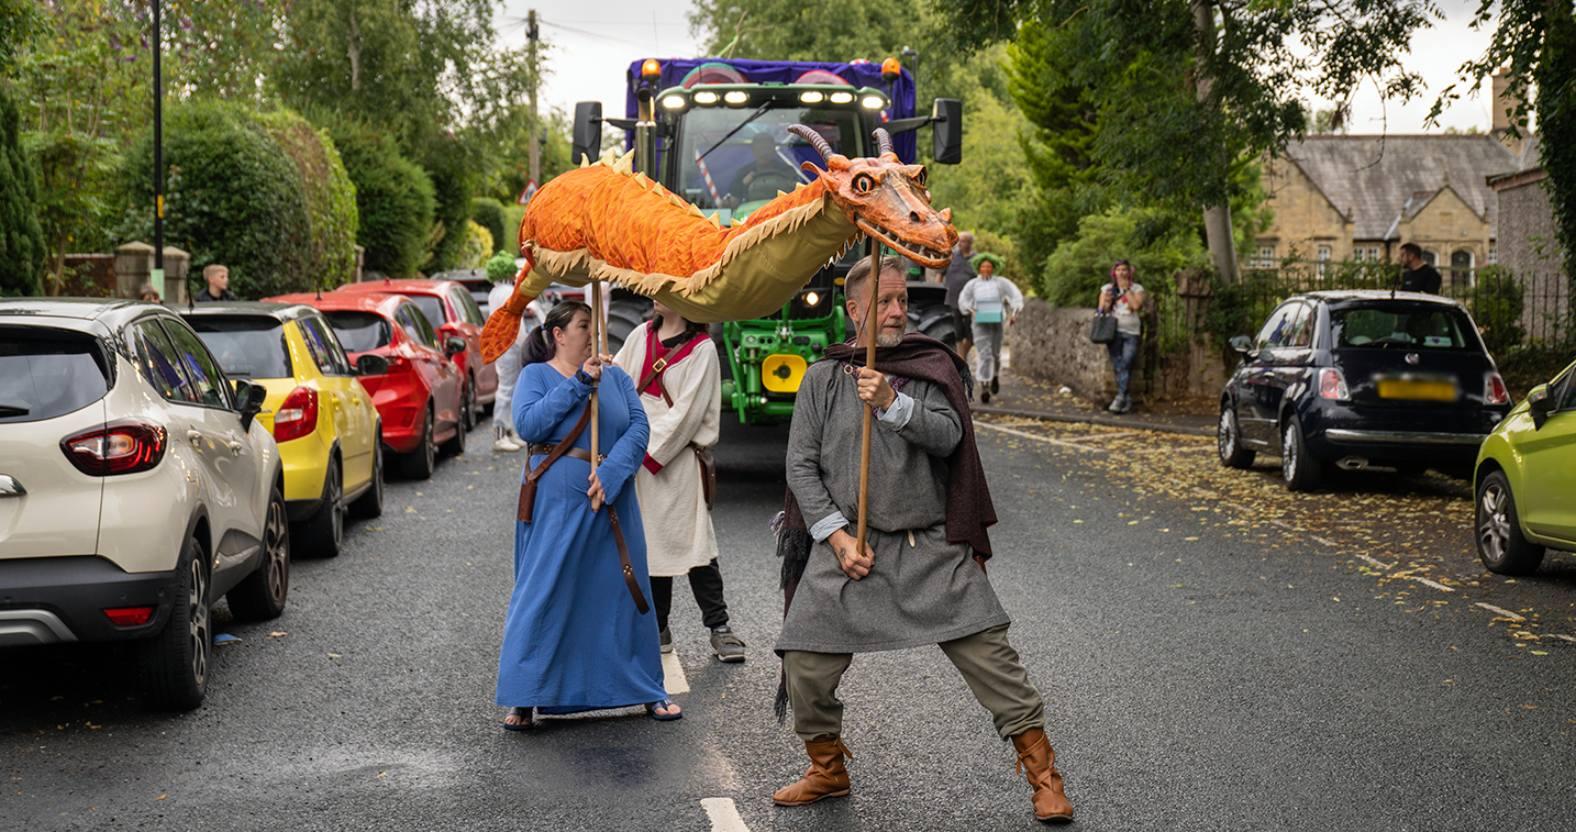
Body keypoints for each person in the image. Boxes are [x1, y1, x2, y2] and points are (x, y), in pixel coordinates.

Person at [771, 255, 1075, 823]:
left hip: (930, 548)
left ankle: (1044, 776)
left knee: (995, 661)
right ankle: (828, 769)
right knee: (805, 665)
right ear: (854, 310)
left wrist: (890, 402)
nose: (896, 311)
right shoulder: (820, 378)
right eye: (884, 302)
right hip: (852, 553)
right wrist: (837, 539)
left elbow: (948, 436)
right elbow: (801, 468)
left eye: (902, 301)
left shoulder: (929, 366)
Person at [495, 300, 681, 731]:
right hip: (555, 507)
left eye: (594, 324)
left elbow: (639, 428)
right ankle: (527, 694)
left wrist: (614, 471)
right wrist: (580, 382)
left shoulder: (616, 377)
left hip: (612, 502)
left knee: (624, 592)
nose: (593, 332)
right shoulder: (536, 375)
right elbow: (530, 425)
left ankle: (647, 689)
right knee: (545, 592)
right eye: (583, 325)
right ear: (559, 334)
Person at [612, 300, 745, 663]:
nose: (657, 293)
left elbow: (687, 415)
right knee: (651, 548)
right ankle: (659, 628)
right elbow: (619, 385)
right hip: (640, 460)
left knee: (695, 546)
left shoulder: (703, 350)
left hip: (676, 461)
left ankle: (719, 627)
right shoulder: (641, 335)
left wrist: (640, 448)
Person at [487, 281, 546, 454]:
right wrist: (525, 343)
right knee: (507, 389)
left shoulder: (496, 292)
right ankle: (501, 434)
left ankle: (508, 431)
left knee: (510, 389)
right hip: (510, 345)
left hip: (504, 343)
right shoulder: (508, 292)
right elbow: (516, 320)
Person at [957, 253, 1023, 404]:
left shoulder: (1001, 283)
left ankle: (995, 376)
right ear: (978, 268)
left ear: (993, 268)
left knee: (995, 353)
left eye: (989, 266)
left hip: (996, 322)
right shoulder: (972, 284)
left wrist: (1014, 313)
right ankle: (984, 384)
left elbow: (1015, 296)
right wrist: (971, 310)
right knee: (984, 354)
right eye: (983, 266)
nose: (986, 268)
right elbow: (964, 300)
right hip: (979, 323)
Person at [1097, 260, 1145, 414]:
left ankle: (1120, 397)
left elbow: (1136, 306)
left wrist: (1126, 290)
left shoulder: (1137, 289)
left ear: (1129, 272)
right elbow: (1101, 309)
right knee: (1118, 365)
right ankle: (1125, 398)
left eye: (1125, 270)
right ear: (1114, 272)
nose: (1122, 273)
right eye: (1119, 270)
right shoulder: (1107, 288)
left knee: (1126, 363)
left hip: (1132, 331)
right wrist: (1107, 301)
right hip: (1114, 332)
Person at [725, 132, 801, 206]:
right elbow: (734, 201)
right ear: (754, 150)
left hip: (783, 212)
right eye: (760, 148)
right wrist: (743, 185)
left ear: (773, 149)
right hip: (750, 215)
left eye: (767, 148)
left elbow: (799, 195)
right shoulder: (743, 173)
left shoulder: (787, 170)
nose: (764, 153)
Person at [942, 232, 976, 357]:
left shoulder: (976, 259)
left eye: (963, 241)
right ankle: (961, 359)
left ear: (970, 243)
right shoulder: (951, 256)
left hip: (970, 303)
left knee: (971, 333)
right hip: (953, 299)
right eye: (959, 241)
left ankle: (962, 357)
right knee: (957, 333)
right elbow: (940, 275)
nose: (959, 244)